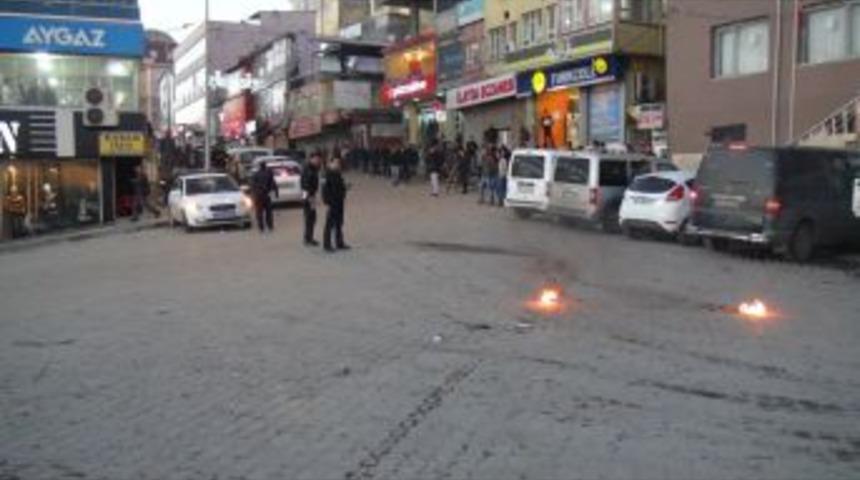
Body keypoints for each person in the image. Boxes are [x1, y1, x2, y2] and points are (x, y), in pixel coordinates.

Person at [322, 157, 350, 252]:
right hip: (332, 202)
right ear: (330, 163)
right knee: (329, 224)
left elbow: (339, 186)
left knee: (339, 223)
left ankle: (339, 243)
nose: (338, 164)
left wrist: (345, 187)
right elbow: (324, 190)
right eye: (336, 163)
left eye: (339, 163)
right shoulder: (327, 175)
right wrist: (327, 202)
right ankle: (327, 245)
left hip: (339, 202)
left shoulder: (337, 173)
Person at [251, 160, 278, 233]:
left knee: (259, 212)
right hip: (266, 195)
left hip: (259, 195)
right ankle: (270, 226)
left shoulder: (256, 174)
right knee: (268, 212)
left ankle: (261, 227)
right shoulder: (268, 173)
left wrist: (254, 195)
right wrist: (276, 193)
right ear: (265, 166)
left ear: (259, 166)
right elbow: (273, 183)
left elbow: (253, 185)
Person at [301, 153, 322, 246]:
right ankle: (307, 239)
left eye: (319, 159)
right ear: (311, 159)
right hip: (309, 196)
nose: (318, 161)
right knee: (310, 217)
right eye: (316, 159)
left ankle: (309, 237)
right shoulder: (307, 169)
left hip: (311, 195)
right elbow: (305, 184)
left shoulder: (313, 168)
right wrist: (309, 197)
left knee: (312, 217)